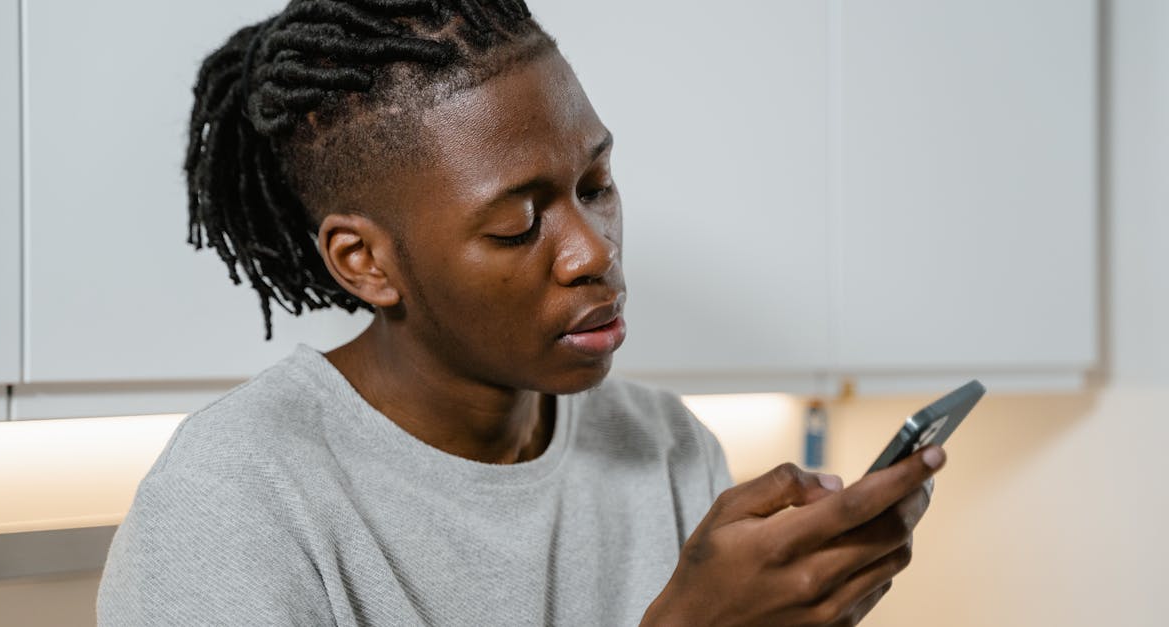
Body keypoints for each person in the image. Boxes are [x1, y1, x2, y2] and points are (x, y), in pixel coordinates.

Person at [97, 1, 943, 624]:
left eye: (596, 186)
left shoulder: (667, 448)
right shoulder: (229, 501)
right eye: (516, 223)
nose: (592, 250)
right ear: (367, 263)